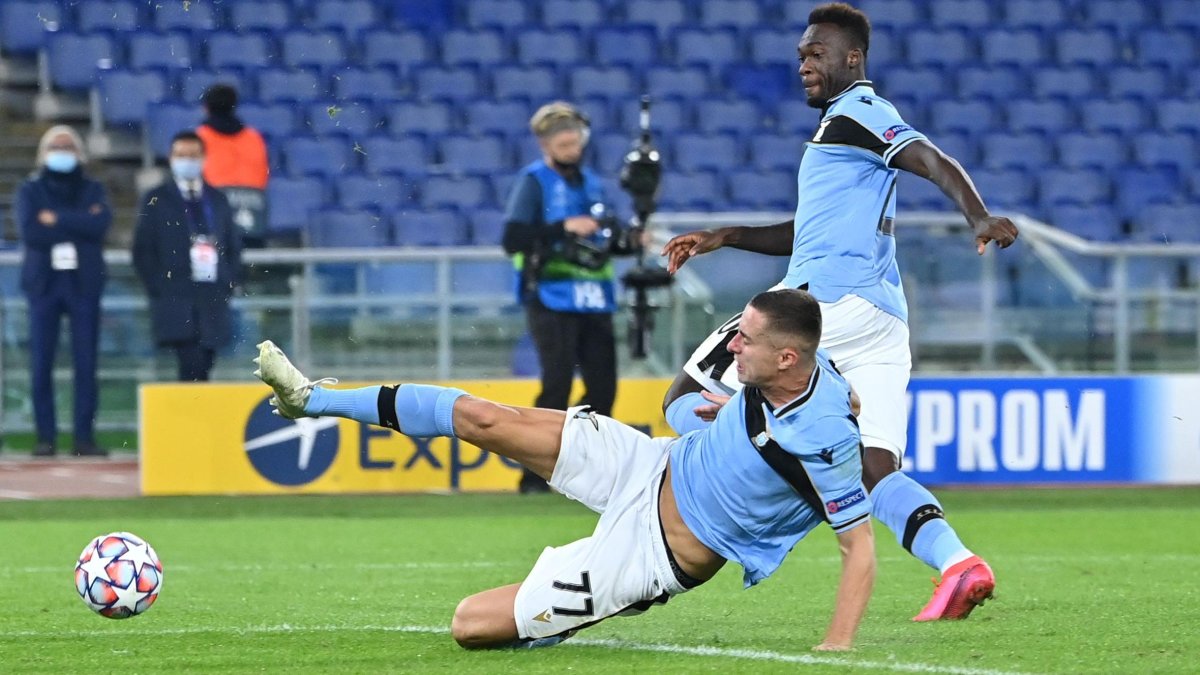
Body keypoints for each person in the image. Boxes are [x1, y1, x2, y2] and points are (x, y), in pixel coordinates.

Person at [254, 288, 876, 651]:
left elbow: (859, 547)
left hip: (653, 556)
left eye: (747, 340)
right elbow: (765, 401)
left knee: (470, 625)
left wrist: (838, 644)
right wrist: (719, 413)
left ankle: (570, 615)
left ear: (787, 357)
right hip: (648, 463)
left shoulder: (827, 439)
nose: (732, 345)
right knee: (485, 418)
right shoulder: (788, 371)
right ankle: (313, 400)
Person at [660, 2, 1016, 622]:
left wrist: (978, 216)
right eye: (801, 54)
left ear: (853, 58)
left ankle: (774, 462)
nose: (804, 64)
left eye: (816, 53)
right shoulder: (839, 133)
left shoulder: (860, 112)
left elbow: (928, 156)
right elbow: (809, 233)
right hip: (881, 320)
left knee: (682, 398)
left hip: (824, 306)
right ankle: (959, 564)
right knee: (875, 468)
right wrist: (726, 236)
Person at [501, 101, 628, 494]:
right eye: (563, 143)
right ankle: (534, 476)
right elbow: (513, 239)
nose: (571, 149)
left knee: (603, 389)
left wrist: (629, 238)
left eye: (575, 142)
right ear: (545, 145)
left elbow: (607, 237)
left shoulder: (593, 182)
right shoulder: (533, 182)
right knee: (556, 386)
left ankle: (585, 471)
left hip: (595, 299)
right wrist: (563, 227)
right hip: (551, 296)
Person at [14, 125, 111, 457]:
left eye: (68, 146)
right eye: (55, 146)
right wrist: (78, 222)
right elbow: (31, 232)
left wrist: (55, 219)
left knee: (87, 363)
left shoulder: (93, 188)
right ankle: (46, 437)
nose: (62, 151)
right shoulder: (30, 189)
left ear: (79, 152)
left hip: (84, 283)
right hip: (44, 284)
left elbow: (99, 226)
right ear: (43, 152)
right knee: (42, 362)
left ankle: (84, 438)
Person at [132, 131, 244, 382]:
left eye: (193, 155)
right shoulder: (156, 199)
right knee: (190, 366)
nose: (187, 160)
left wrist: (228, 282)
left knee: (205, 366)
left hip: (212, 298)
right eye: (181, 155)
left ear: (203, 158)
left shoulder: (217, 199)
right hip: (176, 297)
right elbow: (143, 250)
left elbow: (233, 245)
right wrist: (159, 287)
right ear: (171, 158)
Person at [195, 83, 269, 247]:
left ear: (206, 108)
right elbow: (263, 176)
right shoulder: (254, 138)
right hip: (253, 214)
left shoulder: (200, 138)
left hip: (215, 215)